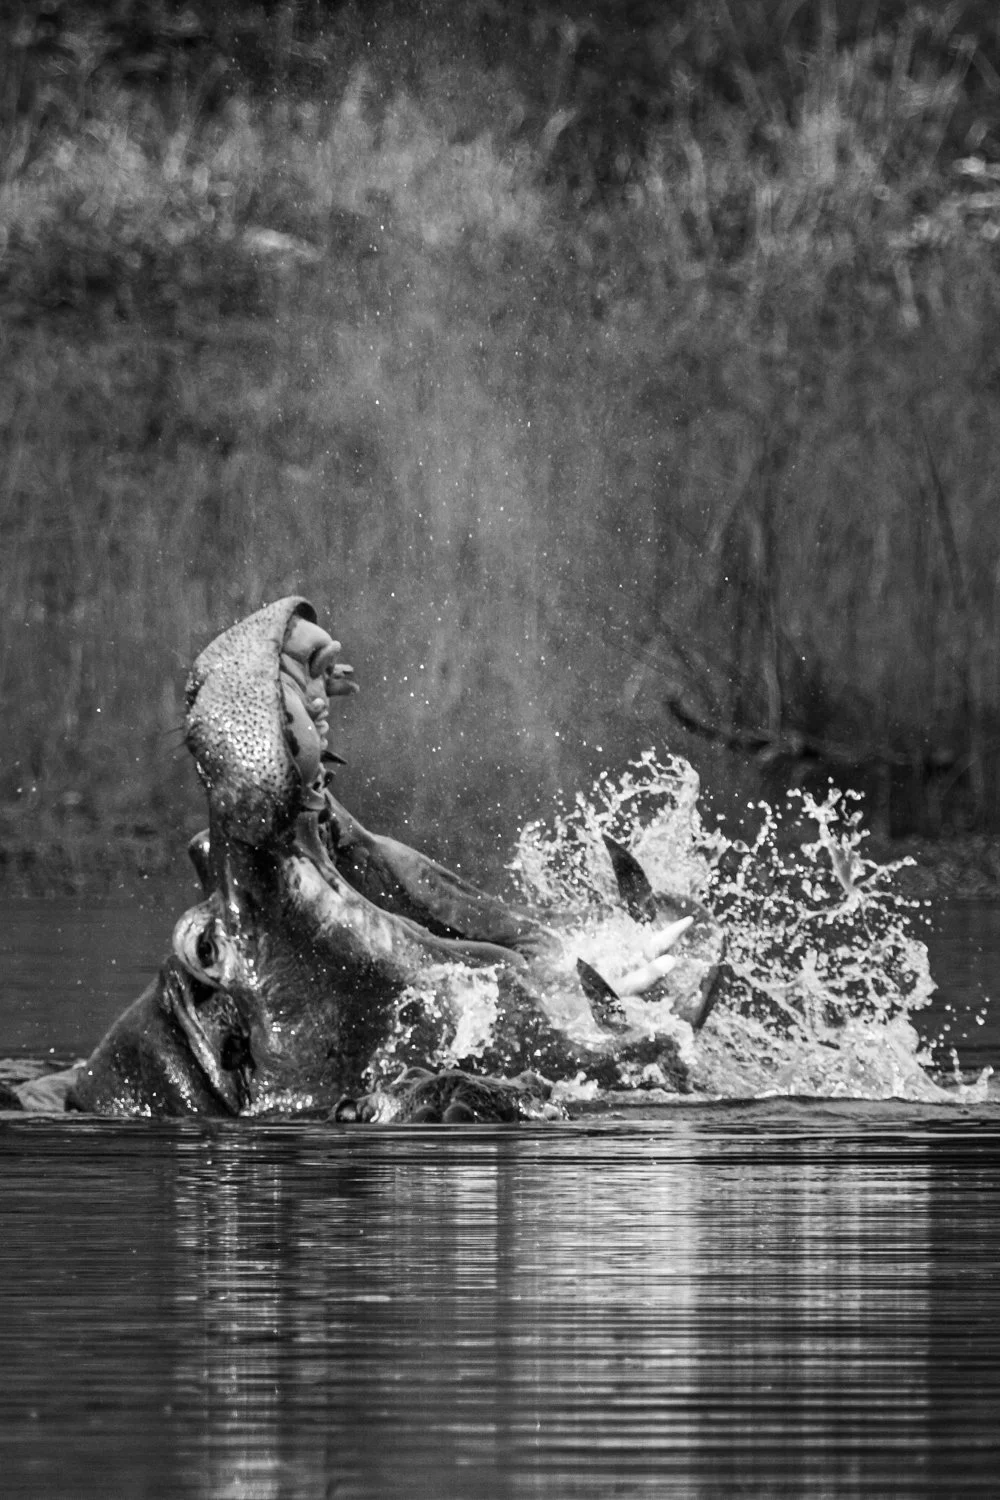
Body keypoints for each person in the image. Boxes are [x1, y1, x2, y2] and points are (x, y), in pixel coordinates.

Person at [279, 615, 556, 962]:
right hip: (337, 911)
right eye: (305, 676)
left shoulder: (315, 795)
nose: (320, 702)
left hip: (347, 853)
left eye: (319, 673)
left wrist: (311, 683)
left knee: (523, 940)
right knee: (507, 962)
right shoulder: (276, 820)